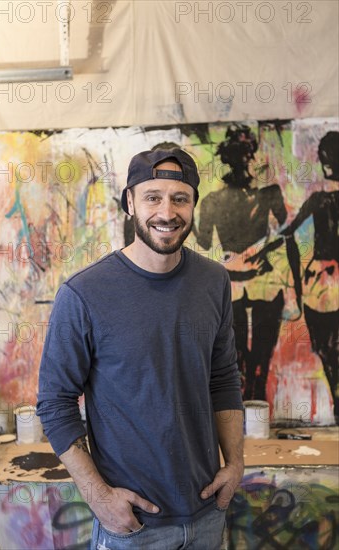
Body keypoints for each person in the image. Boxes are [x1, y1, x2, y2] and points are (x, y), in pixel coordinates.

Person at [37, 148, 244, 550]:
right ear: (130, 202)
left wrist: (234, 464)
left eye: (180, 198)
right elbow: (55, 402)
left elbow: (223, 379)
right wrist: (99, 497)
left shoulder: (214, 281)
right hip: (132, 525)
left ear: (193, 204)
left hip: (207, 515)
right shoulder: (84, 294)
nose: (167, 212)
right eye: (152, 197)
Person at [194, 124, 301, 401]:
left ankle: (255, 412)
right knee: (236, 358)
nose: (244, 157)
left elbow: (286, 233)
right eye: (238, 151)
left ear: (252, 154)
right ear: (227, 156)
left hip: (264, 281)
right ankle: (241, 417)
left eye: (247, 151)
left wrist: (291, 290)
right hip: (231, 283)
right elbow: (204, 245)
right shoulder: (211, 201)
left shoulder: (269, 193)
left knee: (260, 358)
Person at [281, 131, 339, 424]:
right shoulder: (317, 200)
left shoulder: (318, 200)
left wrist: (298, 280)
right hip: (323, 281)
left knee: (326, 349)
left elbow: (287, 234)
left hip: (322, 283)